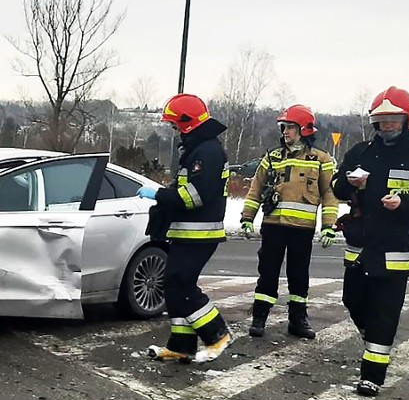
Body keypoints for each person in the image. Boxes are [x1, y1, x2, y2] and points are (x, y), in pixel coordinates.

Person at [332, 86, 409, 397]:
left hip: (395, 251)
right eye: (382, 121)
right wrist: (348, 183)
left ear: (407, 120)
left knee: (385, 313)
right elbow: (336, 185)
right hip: (358, 249)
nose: (388, 126)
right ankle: (374, 339)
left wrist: (405, 204)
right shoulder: (361, 152)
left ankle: (372, 376)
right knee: (352, 301)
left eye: (394, 119)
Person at [139, 93, 234, 364]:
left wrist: (159, 196)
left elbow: (195, 196)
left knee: (180, 283)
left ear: (187, 123)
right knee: (174, 285)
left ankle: (218, 334)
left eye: (175, 124)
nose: (173, 130)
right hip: (187, 232)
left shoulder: (208, 152)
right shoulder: (198, 149)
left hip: (200, 233)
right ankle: (181, 345)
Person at [239, 105, 339, 339]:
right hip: (273, 225)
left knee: (299, 275)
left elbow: (329, 195)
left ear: (304, 130)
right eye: (284, 127)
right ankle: (259, 317)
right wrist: (247, 218)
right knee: (268, 272)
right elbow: (256, 189)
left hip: (302, 229)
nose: (285, 132)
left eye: (291, 127)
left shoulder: (321, 159)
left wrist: (328, 226)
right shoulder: (272, 157)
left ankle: (297, 320)